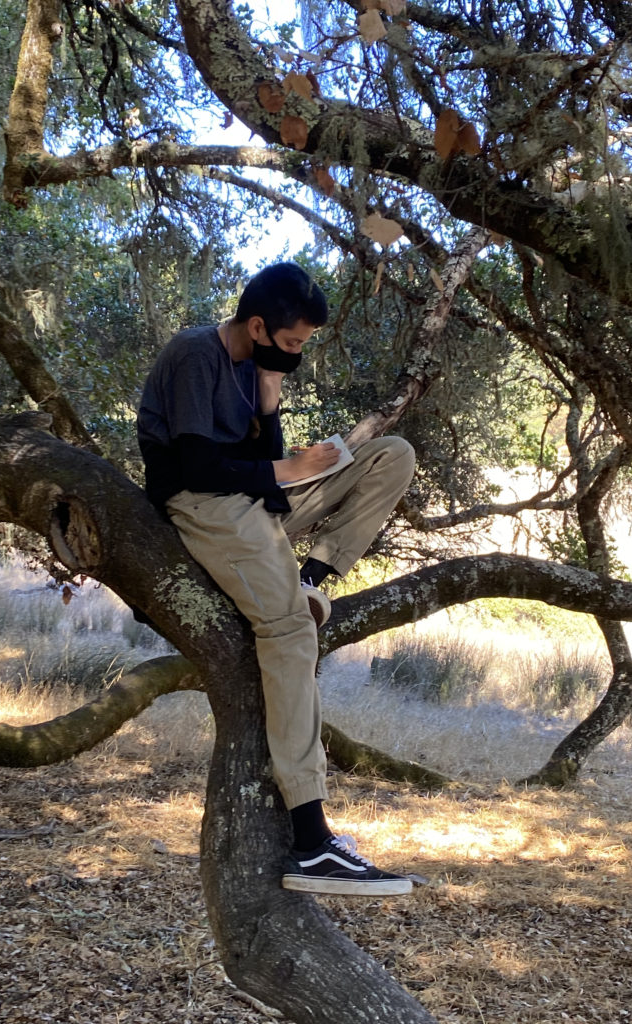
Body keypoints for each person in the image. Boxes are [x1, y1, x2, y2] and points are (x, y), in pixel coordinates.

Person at [137, 262, 420, 895]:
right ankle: (312, 840)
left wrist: (270, 403)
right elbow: (197, 467)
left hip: (257, 504)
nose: (295, 354)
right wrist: (290, 470)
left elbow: (262, 461)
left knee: (390, 454)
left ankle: (316, 575)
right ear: (258, 325)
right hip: (202, 506)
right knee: (290, 632)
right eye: (291, 344)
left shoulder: (252, 364)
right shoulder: (193, 354)